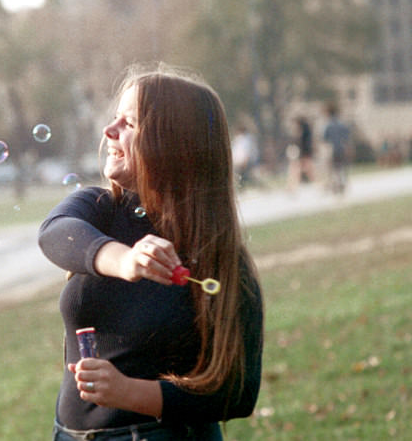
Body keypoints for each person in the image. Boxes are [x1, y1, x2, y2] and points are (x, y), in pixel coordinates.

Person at [38, 64, 264, 440]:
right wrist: (124, 259)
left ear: (174, 145)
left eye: (130, 124)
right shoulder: (98, 209)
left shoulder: (217, 258)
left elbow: (237, 392)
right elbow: (55, 233)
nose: (109, 131)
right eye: (114, 119)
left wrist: (129, 393)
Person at [322, 102, 351, 194]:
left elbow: (325, 139)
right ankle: (342, 183)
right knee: (342, 167)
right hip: (342, 148)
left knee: (332, 168)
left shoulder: (328, 125)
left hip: (332, 149)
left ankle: (334, 185)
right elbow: (346, 139)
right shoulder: (342, 124)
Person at [286, 116, 315, 192]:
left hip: (303, 153)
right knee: (300, 170)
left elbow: (300, 142)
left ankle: (292, 187)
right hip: (304, 153)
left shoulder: (303, 131)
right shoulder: (306, 130)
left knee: (300, 170)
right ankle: (292, 187)